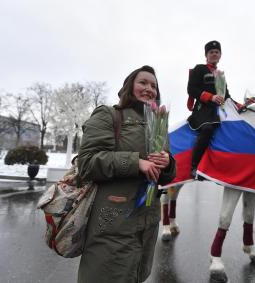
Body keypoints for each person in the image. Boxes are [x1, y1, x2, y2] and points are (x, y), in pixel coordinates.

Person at [77, 65, 176, 283]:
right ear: (129, 86)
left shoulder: (159, 125)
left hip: (147, 223)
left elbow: (165, 176)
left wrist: (167, 164)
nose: (149, 88)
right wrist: (135, 162)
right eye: (143, 82)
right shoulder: (110, 115)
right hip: (113, 222)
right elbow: (86, 163)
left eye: (154, 85)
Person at [187, 40, 231, 177]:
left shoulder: (221, 75)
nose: (214, 54)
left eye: (216, 52)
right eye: (211, 52)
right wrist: (210, 97)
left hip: (218, 112)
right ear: (206, 55)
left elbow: (227, 96)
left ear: (220, 55)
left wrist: (245, 104)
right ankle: (195, 167)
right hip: (202, 110)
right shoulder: (199, 68)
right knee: (207, 128)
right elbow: (191, 89)